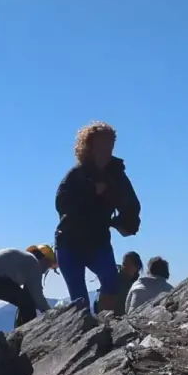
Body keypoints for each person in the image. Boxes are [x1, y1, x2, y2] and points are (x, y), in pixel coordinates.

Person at [54, 122, 141, 314]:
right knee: (79, 300)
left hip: (98, 241)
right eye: (100, 147)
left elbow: (131, 204)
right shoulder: (77, 175)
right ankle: (83, 334)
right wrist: (91, 192)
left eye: (109, 147)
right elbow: (62, 204)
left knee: (110, 282)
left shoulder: (116, 175)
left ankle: (105, 326)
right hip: (69, 242)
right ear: (88, 147)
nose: (105, 152)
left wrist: (125, 223)